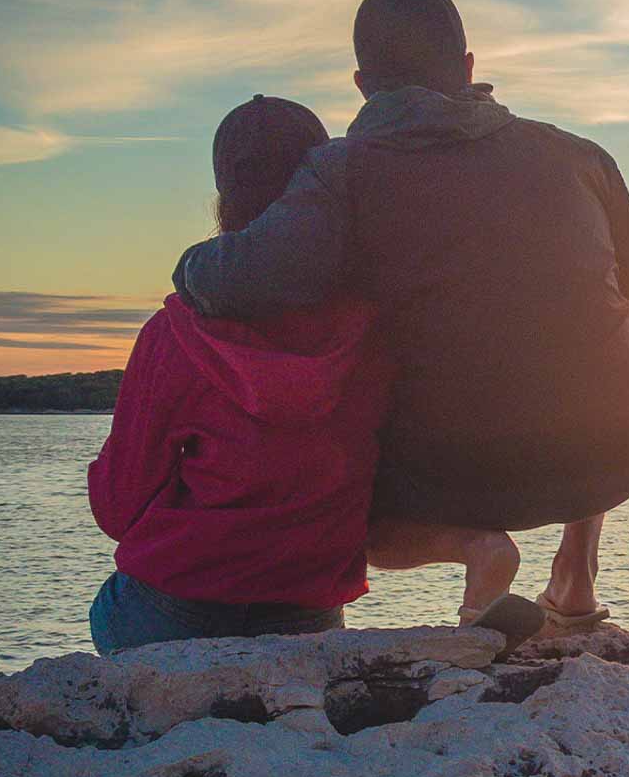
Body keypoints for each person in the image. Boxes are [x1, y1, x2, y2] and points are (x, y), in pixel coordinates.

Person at [171, 0, 629, 623]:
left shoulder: (340, 171)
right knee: (585, 323)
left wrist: (188, 265)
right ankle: (576, 571)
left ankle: (477, 550)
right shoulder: (582, 159)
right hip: (613, 460)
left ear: (363, 85)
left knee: (328, 495)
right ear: (470, 69)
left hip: (441, 479)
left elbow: (252, 278)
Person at [88, 95, 518, 654]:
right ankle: (478, 553)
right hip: (304, 611)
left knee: (111, 608)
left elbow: (120, 507)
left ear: (225, 196)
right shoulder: (374, 330)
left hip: (175, 609)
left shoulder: (174, 333)